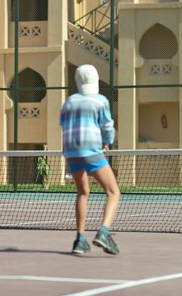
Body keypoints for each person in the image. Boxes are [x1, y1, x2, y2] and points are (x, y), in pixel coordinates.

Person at [60, 64, 120, 255]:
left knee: (82, 192)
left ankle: (80, 240)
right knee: (113, 192)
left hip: (71, 152)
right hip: (91, 150)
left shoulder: (69, 101)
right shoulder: (100, 100)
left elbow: (63, 123)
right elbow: (107, 126)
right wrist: (108, 141)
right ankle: (103, 232)